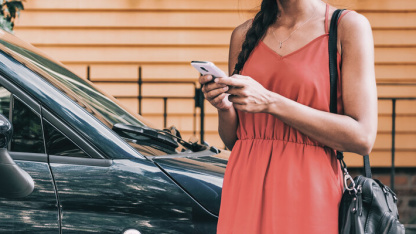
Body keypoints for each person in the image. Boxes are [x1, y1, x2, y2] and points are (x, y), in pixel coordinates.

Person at [198, 0, 377, 233]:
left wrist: (271, 102)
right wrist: (224, 106)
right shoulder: (243, 35)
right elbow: (234, 140)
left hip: (308, 193)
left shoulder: (347, 27)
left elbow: (363, 137)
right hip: (245, 187)